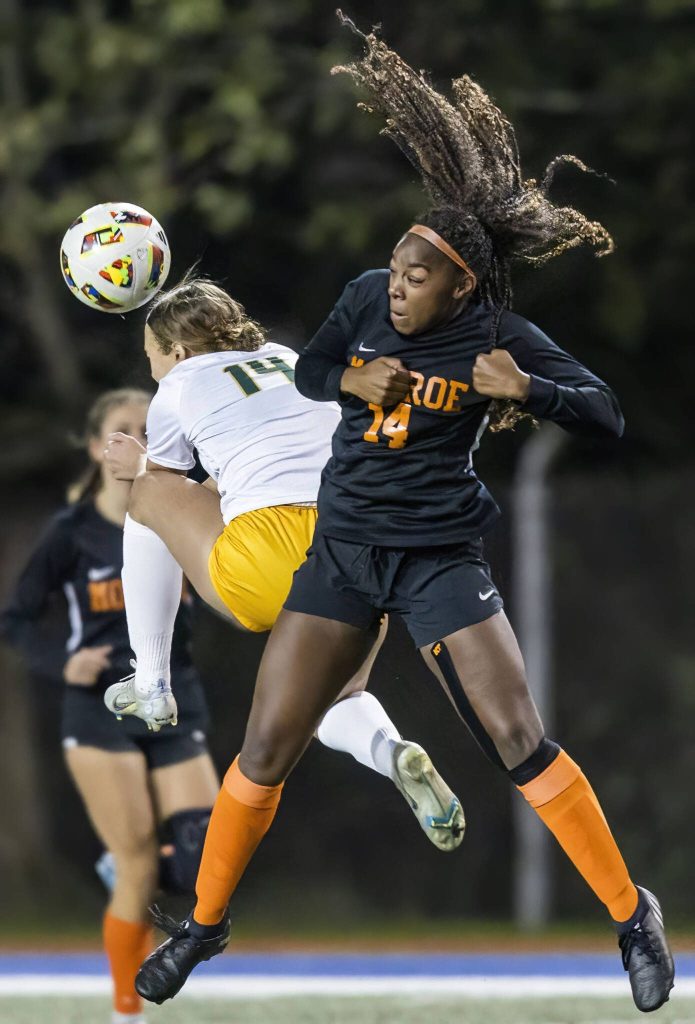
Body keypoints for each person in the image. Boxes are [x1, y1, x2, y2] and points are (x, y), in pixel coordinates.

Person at [133, 18, 674, 1015]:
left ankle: (629, 913)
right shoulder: (362, 300)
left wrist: (533, 391)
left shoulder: (499, 336)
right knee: (263, 751)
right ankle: (204, 925)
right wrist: (347, 369)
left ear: (461, 285)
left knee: (516, 736)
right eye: (394, 262)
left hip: (433, 558)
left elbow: (604, 411)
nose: (396, 279)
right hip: (339, 555)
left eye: (417, 273)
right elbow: (304, 368)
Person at [101, 279, 464, 852]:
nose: (151, 367)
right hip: (358, 549)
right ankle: (395, 753)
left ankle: (150, 681)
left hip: (268, 551)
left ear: (176, 352)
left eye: (150, 354)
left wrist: (134, 466)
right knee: (335, 701)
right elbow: (241, 473)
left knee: (144, 496)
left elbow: (168, 486)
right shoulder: (287, 360)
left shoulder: (178, 384)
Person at [0, 389, 220, 1024]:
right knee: (138, 866)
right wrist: (59, 660)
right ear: (100, 446)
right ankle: (129, 1011)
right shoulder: (71, 533)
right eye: (125, 430)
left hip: (172, 699)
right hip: (98, 711)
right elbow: (15, 619)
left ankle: (132, 866)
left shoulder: (181, 510)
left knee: (205, 854)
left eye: (149, 430)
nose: (138, 440)